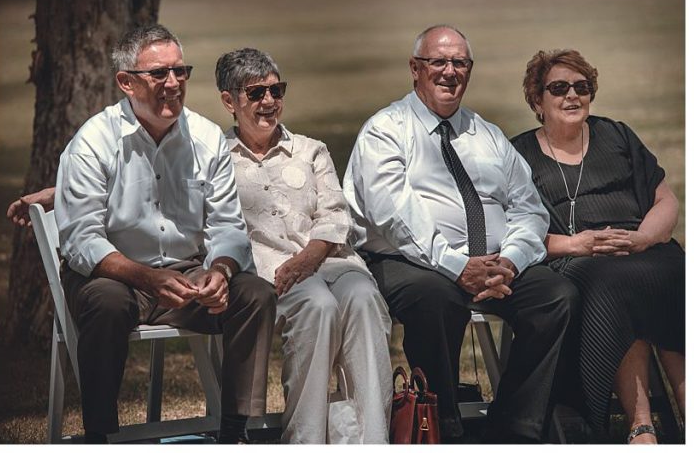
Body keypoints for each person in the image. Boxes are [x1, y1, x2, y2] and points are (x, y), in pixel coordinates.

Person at [343, 25, 580, 442]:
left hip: (493, 262)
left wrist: (511, 260)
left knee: (556, 297)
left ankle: (514, 429)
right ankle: (442, 430)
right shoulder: (386, 130)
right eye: (439, 62)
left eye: (460, 63)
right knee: (436, 299)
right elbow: (395, 216)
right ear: (415, 69)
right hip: (409, 261)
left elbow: (528, 208)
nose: (450, 72)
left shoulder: (486, 134)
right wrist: (457, 266)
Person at [55, 24, 276, 444]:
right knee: (106, 303)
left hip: (187, 273)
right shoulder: (92, 142)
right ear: (126, 83)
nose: (174, 84)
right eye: (159, 74)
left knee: (256, 295)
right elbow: (82, 240)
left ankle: (234, 431)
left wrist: (223, 271)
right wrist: (146, 277)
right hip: (113, 275)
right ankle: (101, 436)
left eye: (181, 71)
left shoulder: (207, 138)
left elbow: (227, 225)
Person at [214, 48, 392, 443]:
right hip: (270, 271)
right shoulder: (215, 158)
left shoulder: (311, 150)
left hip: (329, 260)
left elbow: (335, 213)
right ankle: (305, 439)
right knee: (317, 305)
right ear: (229, 100)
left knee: (363, 298)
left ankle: (373, 440)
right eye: (256, 92)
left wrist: (309, 258)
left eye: (277, 90)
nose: (269, 101)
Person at [511, 49, 685, 444]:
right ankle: (641, 427)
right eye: (558, 88)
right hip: (574, 256)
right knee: (613, 282)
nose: (572, 95)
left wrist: (641, 238)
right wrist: (575, 243)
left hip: (639, 247)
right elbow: (513, 232)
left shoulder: (617, 134)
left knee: (678, 271)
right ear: (537, 100)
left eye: (581, 87)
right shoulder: (518, 154)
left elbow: (666, 202)